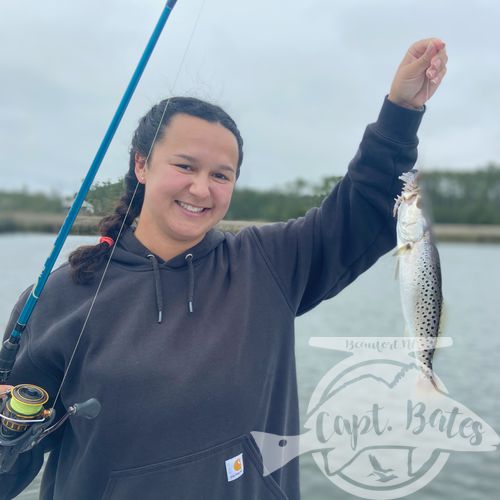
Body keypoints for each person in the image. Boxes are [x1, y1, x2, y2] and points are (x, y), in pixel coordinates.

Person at [1, 38, 447, 500]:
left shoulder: (266, 262)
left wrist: (401, 109)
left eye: (221, 175)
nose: (200, 189)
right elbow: (13, 466)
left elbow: (362, 206)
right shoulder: (61, 296)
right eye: (185, 165)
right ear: (142, 164)